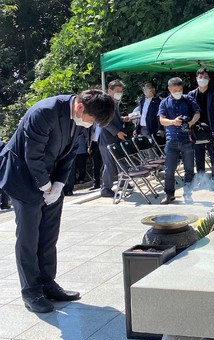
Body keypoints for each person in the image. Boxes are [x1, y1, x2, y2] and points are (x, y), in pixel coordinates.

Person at [0, 89, 115, 313]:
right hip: (22, 175)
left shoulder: (79, 118)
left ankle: (47, 283)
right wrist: (44, 185)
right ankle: (31, 291)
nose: (91, 125)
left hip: (50, 176)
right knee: (29, 236)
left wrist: (59, 184)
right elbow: (32, 155)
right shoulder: (45, 112)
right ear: (80, 107)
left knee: (49, 233)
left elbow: (70, 152)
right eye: (92, 120)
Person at [158, 77, 200, 204]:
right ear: (169, 89)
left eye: (180, 89)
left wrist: (191, 122)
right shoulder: (164, 102)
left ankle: (188, 193)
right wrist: (173, 122)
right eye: (175, 90)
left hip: (186, 139)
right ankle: (169, 194)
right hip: (171, 140)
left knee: (189, 169)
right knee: (169, 170)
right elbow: (161, 120)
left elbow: (197, 112)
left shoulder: (188, 99)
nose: (178, 92)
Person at [187, 68, 214, 179]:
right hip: (196, 130)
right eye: (200, 77)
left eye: (205, 77)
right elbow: (188, 113)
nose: (203, 79)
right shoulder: (191, 94)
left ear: (209, 79)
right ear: (196, 78)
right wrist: (188, 131)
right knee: (198, 156)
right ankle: (202, 179)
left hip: (211, 129)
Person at [99, 79, 129, 198]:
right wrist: (116, 132)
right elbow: (102, 121)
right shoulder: (104, 103)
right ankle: (106, 188)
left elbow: (112, 118)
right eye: (117, 91)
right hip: (107, 139)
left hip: (116, 138)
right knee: (110, 164)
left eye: (121, 91)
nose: (119, 93)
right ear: (109, 90)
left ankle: (123, 181)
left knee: (121, 161)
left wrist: (122, 119)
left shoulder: (114, 102)